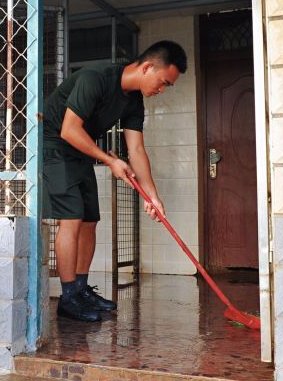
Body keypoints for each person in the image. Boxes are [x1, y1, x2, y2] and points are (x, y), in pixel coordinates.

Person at [42, 40, 187, 322]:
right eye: (163, 82)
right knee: (71, 219)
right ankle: (69, 297)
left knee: (90, 220)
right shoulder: (94, 78)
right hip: (55, 145)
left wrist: (152, 196)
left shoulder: (134, 100)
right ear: (147, 67)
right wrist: (110, 161)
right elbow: (69, 130)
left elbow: (136, 150)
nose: (161, 90)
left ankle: (81, 289)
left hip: (80, 149)